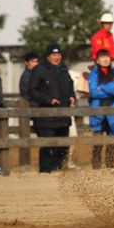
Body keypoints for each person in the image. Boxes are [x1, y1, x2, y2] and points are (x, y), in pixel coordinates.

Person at [28, 44, 76, 173]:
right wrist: (48, 100)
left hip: (63, 114)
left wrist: (72, 96)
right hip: (46, 115)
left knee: (63, 144)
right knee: (47, 144)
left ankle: (59, 168)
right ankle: (45, 170)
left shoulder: (63, 68)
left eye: (58, 55)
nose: (56, 57)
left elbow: (70, 84)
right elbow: (32, 90)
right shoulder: (39, 70)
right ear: (48, 56)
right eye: (54, 55)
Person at [88, 49, 114, 169]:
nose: (105, 59)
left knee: (111, 142)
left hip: (113, 111)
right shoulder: (93, 74)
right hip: (98, 112)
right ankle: (96, 167)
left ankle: (110, 166)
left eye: (107, 56)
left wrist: (102, 87)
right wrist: (111, 91)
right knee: (97, 141)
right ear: (97, 60)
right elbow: (93, 93)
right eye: (102, 57)